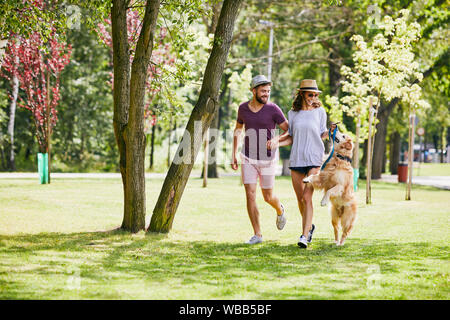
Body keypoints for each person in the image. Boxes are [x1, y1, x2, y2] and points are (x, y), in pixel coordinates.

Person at [268, 79, 335, 248]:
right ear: (302, 94)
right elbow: (291, 136)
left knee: (307, 197)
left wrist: (331, 131)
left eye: (315, 95)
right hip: (297, 158)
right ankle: (309, 227)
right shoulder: (293, 113)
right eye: (310, 94)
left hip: (314, 158)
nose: (313, 97)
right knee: (300, 199)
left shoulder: (320, 111)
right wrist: (277, 142)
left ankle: (304, 236)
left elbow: (322, 134)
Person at [231, 75, 289, 245]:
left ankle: (280, 209)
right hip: (248, 157)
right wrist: (234, 154)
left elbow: (288, 130)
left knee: (268, 196)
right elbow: (237, 130)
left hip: (268, 159)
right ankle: (257, 234)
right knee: (250, 195)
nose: (266, 94)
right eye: (263, 91)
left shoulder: (273, 109)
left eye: (268, 91)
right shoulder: (243, 108)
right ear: (253, 91)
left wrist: (277, 140)